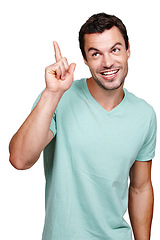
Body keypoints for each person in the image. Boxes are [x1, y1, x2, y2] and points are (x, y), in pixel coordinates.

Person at [9, 13, 157, 240]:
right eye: (95, 53)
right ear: (85, 60)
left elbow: (140, 187)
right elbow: (20, 159)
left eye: (115, 50)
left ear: (128, 50)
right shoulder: (59, 98)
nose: (107, 62)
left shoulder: (144, 115)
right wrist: (52, 93)